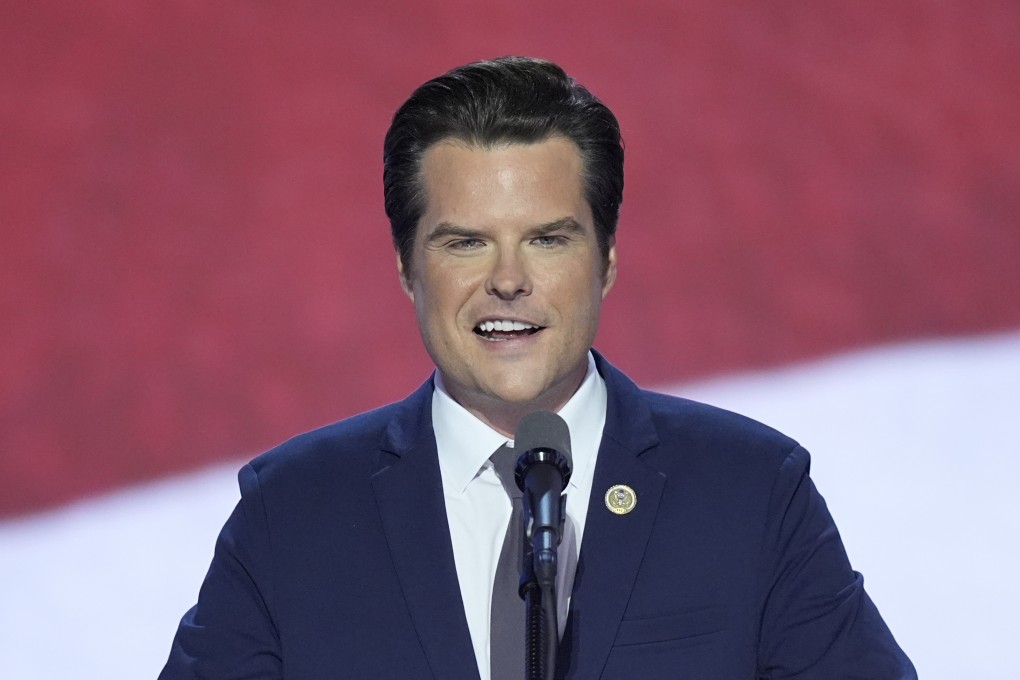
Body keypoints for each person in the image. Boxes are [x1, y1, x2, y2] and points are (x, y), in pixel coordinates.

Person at [160, 56, 915, 679]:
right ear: (404, 267)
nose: (509, 280)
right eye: (465, 243)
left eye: (549, 240)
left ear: (608, 261)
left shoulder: (750, 493)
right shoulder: (292, 514)